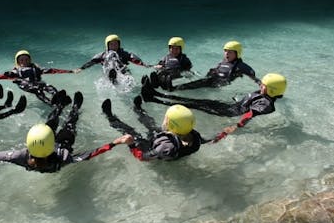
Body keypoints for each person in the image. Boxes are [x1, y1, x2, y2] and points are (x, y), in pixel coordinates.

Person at [0, 92, 134, 173]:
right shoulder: (63, 158)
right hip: (63, 145)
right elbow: (91, 154)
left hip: (50, 146)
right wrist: (115, 142)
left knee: (53, 122)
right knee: (69, 124)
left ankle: (59, 107)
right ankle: (74, 108)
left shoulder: (21, 156)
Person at [141, 73, 287, 142]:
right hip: (230, 106)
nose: (260, 85)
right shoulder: (264, 95)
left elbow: (250, 115)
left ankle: (155, 99)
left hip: (229, 112)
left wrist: (234, 127)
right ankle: (157, 95)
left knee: (193, 105)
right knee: (195, 101)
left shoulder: (266, 103)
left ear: (272, 90)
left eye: (264, 85)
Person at [101, 97, 207, 161]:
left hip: (151, 148)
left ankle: (110, 117)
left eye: (166, 119)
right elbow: (207, 141)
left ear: (172, 126)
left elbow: (142, 157)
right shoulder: (195, 136)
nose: (164, 120)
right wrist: (221, 135)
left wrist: (131, 145)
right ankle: (138, 109)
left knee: (132, 133)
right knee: (151, 125)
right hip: (166, 141)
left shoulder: (165, 147)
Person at [0, 50, 73, 106]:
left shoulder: (36, 68)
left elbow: (52, 70)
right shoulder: (16, 71)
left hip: (38, 83)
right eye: (21, 60)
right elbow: (0, 76)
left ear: (30, 60)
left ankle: (58, 97)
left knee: (49, 87)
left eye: (26, 59)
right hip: (25, 85)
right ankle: (50, 103)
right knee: (37, 91)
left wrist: (70, 71)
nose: (24, 61)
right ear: (17, 62)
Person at [154, 41, 260, 91]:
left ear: (237, 53)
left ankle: (173, 88)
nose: (227, 54)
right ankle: (172, 87)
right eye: (226, 51)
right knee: (197, 83)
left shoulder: (240, 65)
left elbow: (252, 74)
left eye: (230, 52)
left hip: (220, 83)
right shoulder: (223, 62)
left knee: (199, 84)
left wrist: (260, 84)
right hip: (213, 79)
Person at [73, 34, 148, 82]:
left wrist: (144, 64)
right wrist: (81, 68)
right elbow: (92, 62)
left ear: (119, 44)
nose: (114, 46)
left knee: (128, 78)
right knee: (110, 74)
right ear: (107, 45)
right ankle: (113, 81)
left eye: (116, 44)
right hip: (109, 73)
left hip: (123, 72)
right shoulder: (103, 55)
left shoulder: (124, 54)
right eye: (111, 44)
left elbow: (134, 59)